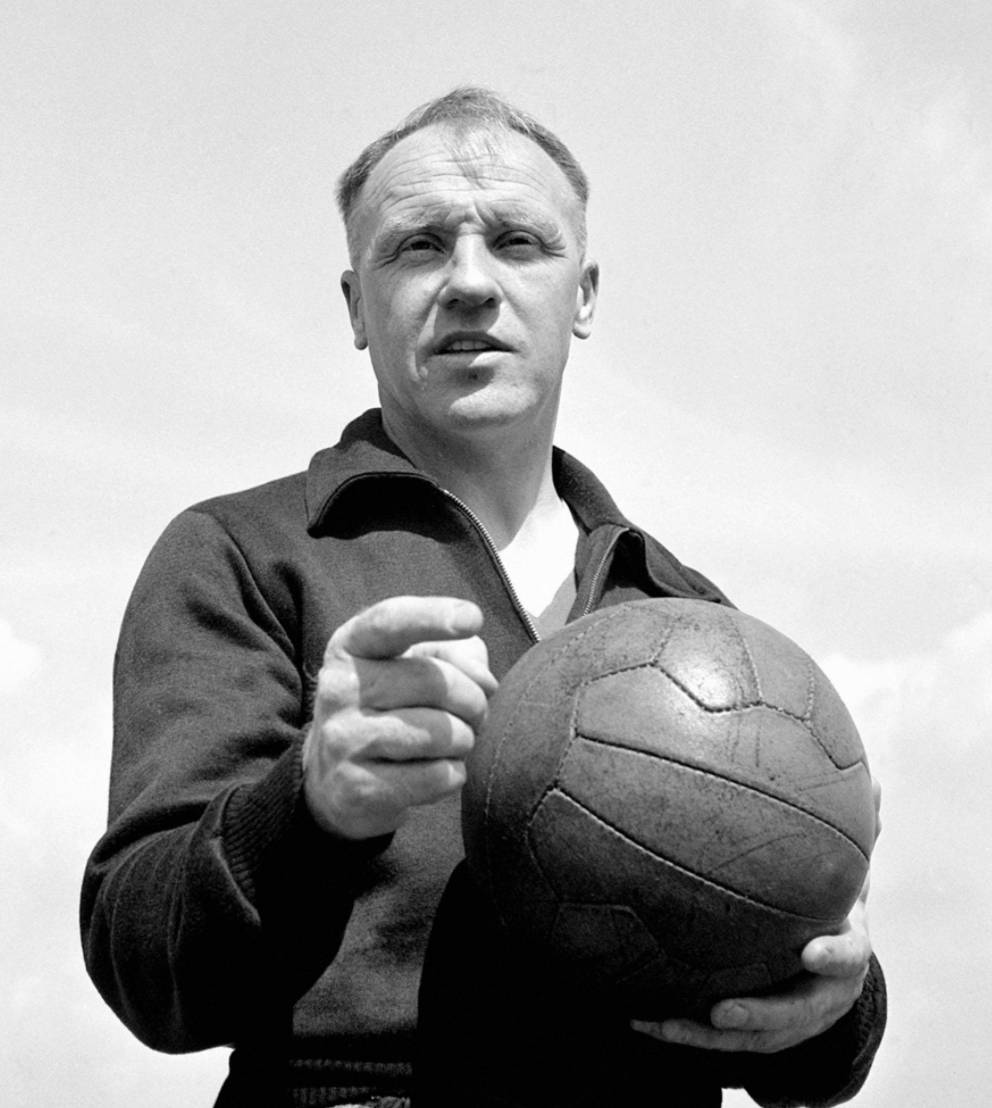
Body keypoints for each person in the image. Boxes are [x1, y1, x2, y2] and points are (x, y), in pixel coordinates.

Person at [80, 87, 886, 1107]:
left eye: (516, 242)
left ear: (582, 294)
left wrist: (836, 998)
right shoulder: (240, 553)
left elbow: (809, 1043)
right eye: (418, 246)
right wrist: (308, 807)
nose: (468, 281)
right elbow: (146, 968)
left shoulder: (695, 622)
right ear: (355, 306)